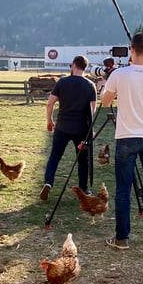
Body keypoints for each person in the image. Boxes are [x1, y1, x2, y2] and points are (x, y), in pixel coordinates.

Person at [101, 31, 143, 249]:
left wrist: (106, 86)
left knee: (123, 189)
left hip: (126, 137)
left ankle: (122, 238)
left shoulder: (119, 74)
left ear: (131, 49)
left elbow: (105, 102)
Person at [40, 55, 97, 200]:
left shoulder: (62, 82)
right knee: (82, 159)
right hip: (81, 129)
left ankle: (48, 182)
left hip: (62, 127)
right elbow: (92, 110)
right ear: (85, 67)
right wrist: (90, 130)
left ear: (73, 65)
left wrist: (49, 120)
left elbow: (50, 103)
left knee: (55, 156)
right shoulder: (90, 85)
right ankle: (83, 188)